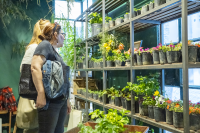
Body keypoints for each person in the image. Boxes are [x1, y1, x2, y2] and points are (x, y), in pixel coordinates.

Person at [31, 22, 71, 133]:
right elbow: (35, 67)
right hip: (50, 102)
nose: (64, 37)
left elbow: (62, 80)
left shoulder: (55, 53)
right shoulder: (45, 45)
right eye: (62, 34)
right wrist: (41, 93)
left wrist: (67, 100)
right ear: (55, 35)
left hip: (60, 101)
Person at [18, 19, 51, 133]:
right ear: (41, 31)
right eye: (48, 29)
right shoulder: (33, 47)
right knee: (32, 128)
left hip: (40, 93)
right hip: (34, 94)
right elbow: (24, 69)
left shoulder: (43, 47)